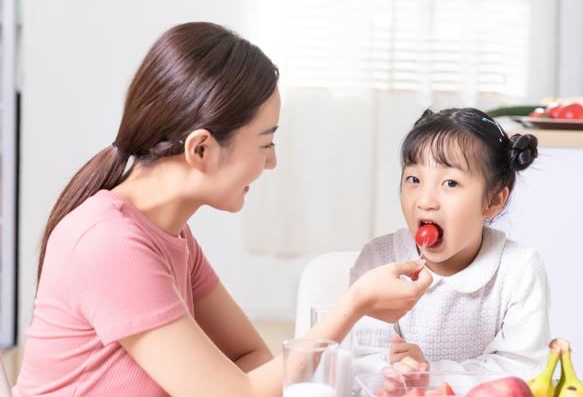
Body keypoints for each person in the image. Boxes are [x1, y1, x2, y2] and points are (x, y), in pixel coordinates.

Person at [13, 22, 432, 397]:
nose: (272, 162)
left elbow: (249, 356)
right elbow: (236, 393)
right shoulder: (109, 243)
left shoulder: (171, 235)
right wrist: (354, 304)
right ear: (201, 149)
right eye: (265, 143)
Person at [349, 108, 550, 378]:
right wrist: (392, 367)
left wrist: (433, 373)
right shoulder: (379, 258)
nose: (425, 200)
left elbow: (522, 367)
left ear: (492, 201)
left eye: (450, 183)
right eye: (414, 179)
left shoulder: (519, 268)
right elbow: (358, 357)